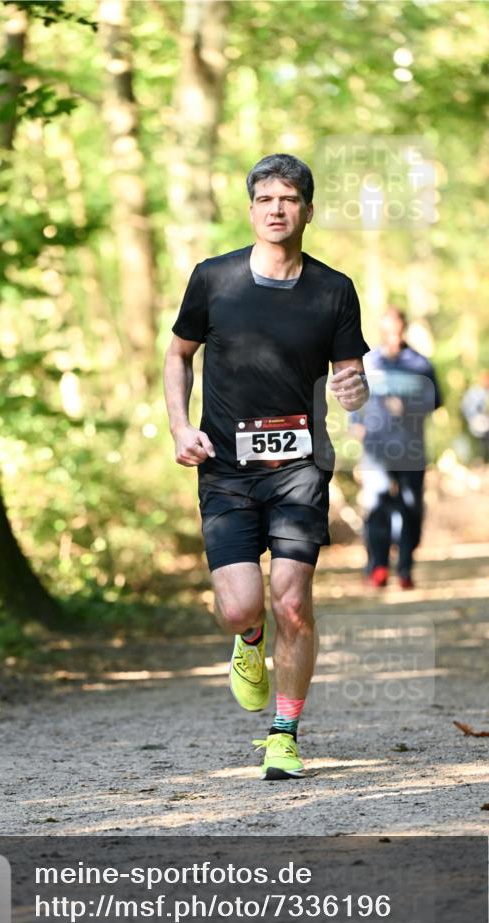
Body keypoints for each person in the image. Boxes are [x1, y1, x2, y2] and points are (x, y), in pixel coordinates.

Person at [164, 154, 370, 781]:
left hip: (300, 465)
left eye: (288, 199)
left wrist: (354, 389)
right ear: (251, 209)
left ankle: (284, 733)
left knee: (293, 602)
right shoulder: (213, 279)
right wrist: (181, 426)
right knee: (239, 607)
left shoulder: (334, 289)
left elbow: (348, 373)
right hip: (225, 465)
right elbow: (177, 357)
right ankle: (246, 641)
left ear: (307, 209)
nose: (277, 209)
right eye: (265, 199)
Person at [352, 306, 442, 590]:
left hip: (411, 449)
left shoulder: (420, 364)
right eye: (387, 331)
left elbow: (435, 401)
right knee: (376, 507)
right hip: (376, 449)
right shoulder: (369, 362)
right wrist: (355, 421)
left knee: (411, 508)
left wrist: (409, 407)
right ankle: (377, 566)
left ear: (403, 330)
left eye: (397, 331)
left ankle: (405, 567)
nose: (392, 336)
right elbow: (354, 396)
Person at [461, 370, 489, 465]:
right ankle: (479, 462)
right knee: (479, 444)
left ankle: (486, 462)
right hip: (478, 423)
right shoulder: (474, 392)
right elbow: (467, 407)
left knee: (487, 444)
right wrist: (474, 418)